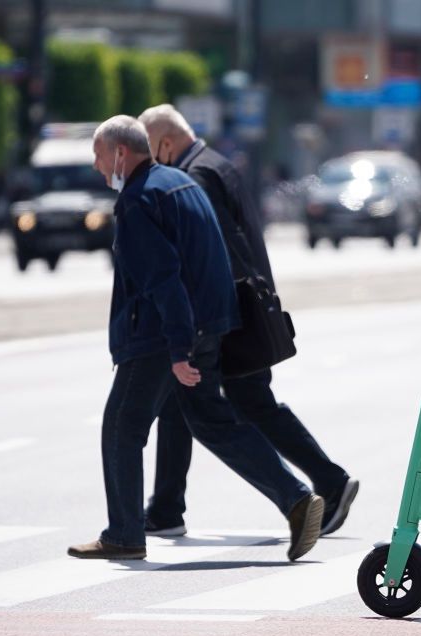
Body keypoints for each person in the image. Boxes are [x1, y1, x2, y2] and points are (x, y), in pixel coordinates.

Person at [67, 115, 324, 562]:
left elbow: (163, 280)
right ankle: (296, 497)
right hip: (207, 326)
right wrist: (205, 334)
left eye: (98, 154)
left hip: (159, 338)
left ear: (121, 154)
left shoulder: (138, 199)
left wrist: (179, 347)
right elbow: (212, 261)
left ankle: (125, 533)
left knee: (121, 428)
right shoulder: (181, 184)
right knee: (211, 421)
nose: (95, 164)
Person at [137, 104, 359, 537]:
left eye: (150, 152)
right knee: (216, 404)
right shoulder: (217, 163)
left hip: (228, 316)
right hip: (243, 310)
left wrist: (205, 321)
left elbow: (216, 252)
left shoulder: (196, 175)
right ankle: (166, 508)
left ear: (164, 143)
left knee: (214, 405)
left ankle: (321, 484)